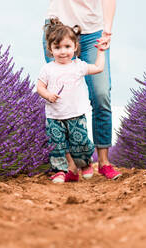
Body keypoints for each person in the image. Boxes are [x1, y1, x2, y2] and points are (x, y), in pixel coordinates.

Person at [42, 0, 122, 180]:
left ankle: (104, 162)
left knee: (101, 94)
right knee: (60, 98)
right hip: (57, 28)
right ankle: (70, 166)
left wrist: (107, 30)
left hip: (93, 32)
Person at [37, 18, 106, 183]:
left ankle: (85, 164)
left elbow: (98, 68)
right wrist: (47, 95)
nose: (62, 51)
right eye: (57, 47)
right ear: (50, 49)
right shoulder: (48, 68)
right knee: (57, 145)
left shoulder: (78, 66)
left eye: (67, 47)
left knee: (80, 141)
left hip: (75, 113)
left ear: (75, 47)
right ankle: (60, 171)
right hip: (54, 115)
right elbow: (39, 87)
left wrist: (101, 52)